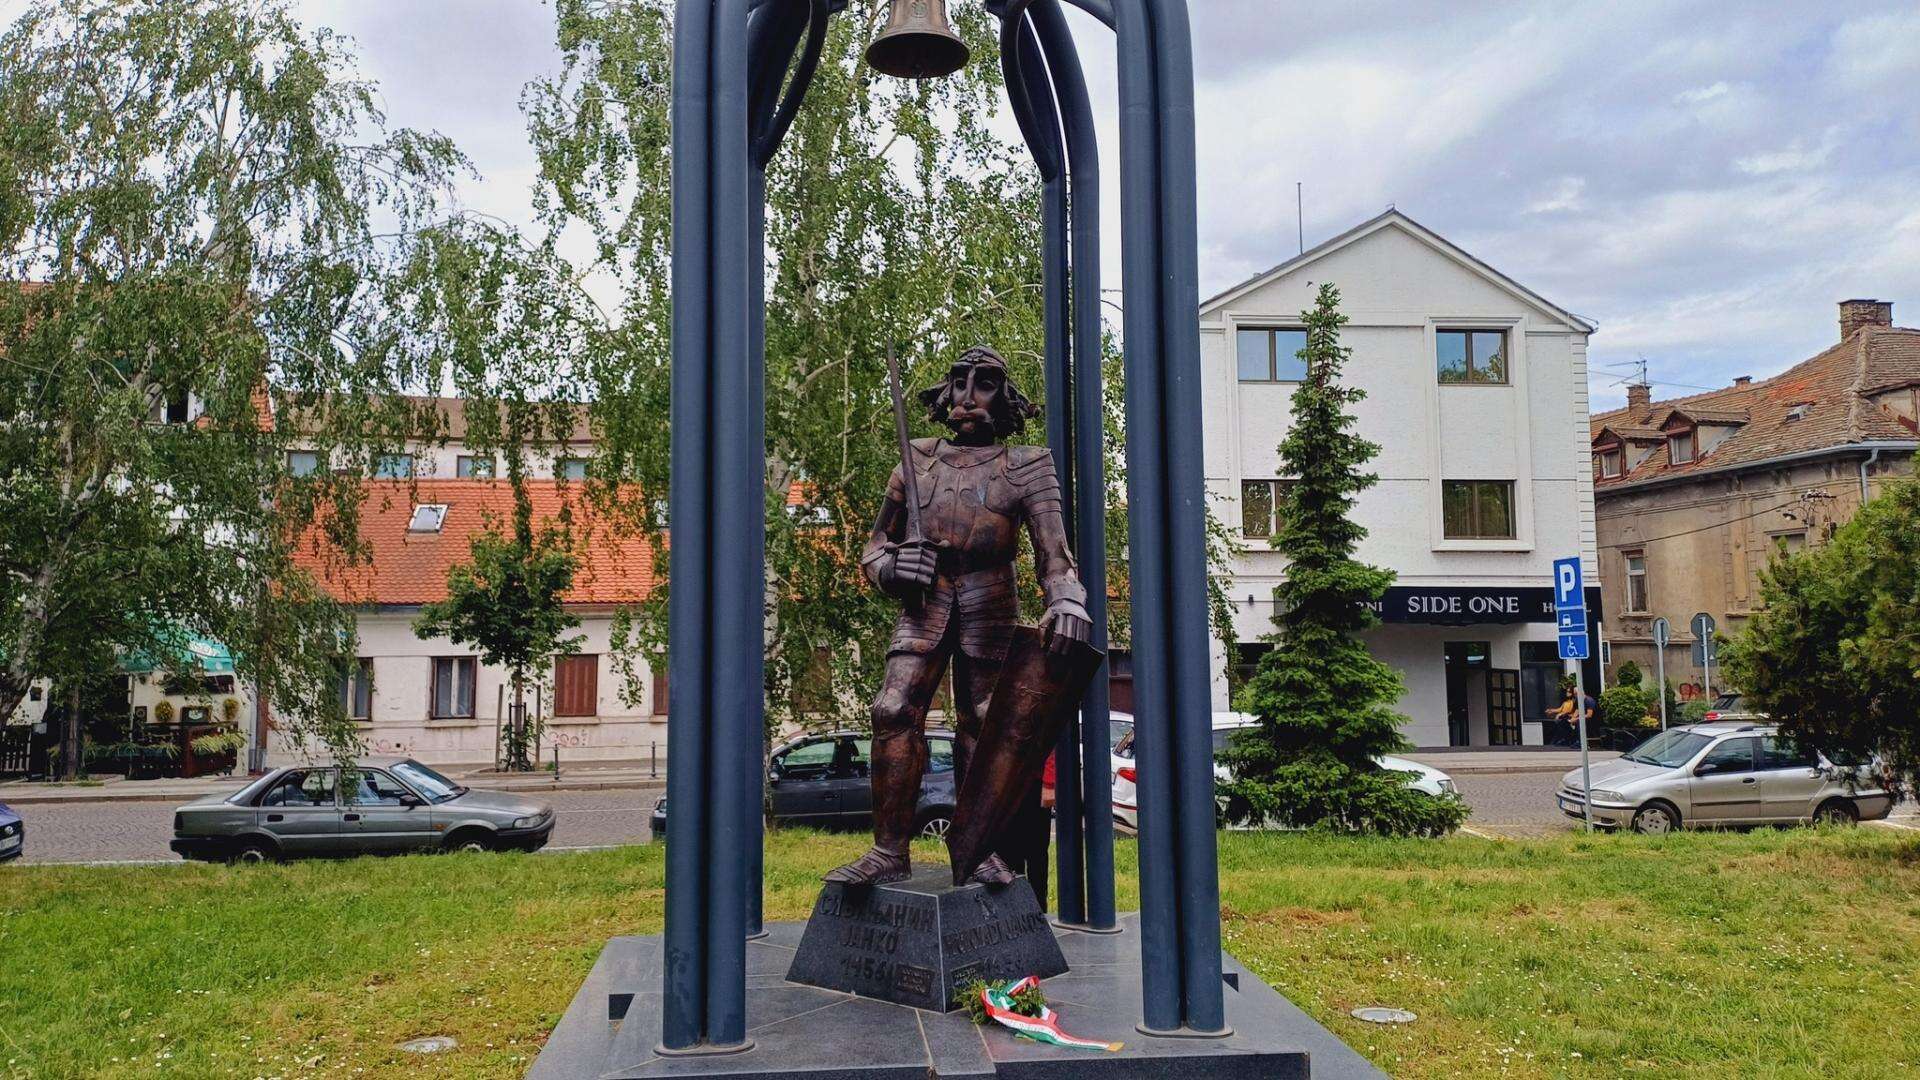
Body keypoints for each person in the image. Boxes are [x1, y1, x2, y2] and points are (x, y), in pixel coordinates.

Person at [824, 347, 1091, 889]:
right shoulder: (916, 460)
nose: (969, 396)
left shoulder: (1028, 465)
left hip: (990, 602)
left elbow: (1055, 557)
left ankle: (977, 850)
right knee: (892, 709)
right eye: (961, 382)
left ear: (1005, 397)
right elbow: (875, 546)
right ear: (946, 394)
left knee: (982, 723)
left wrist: (1067, 601)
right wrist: (893, 566)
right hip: (924, 604)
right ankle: (889, 850)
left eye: (985, 383)